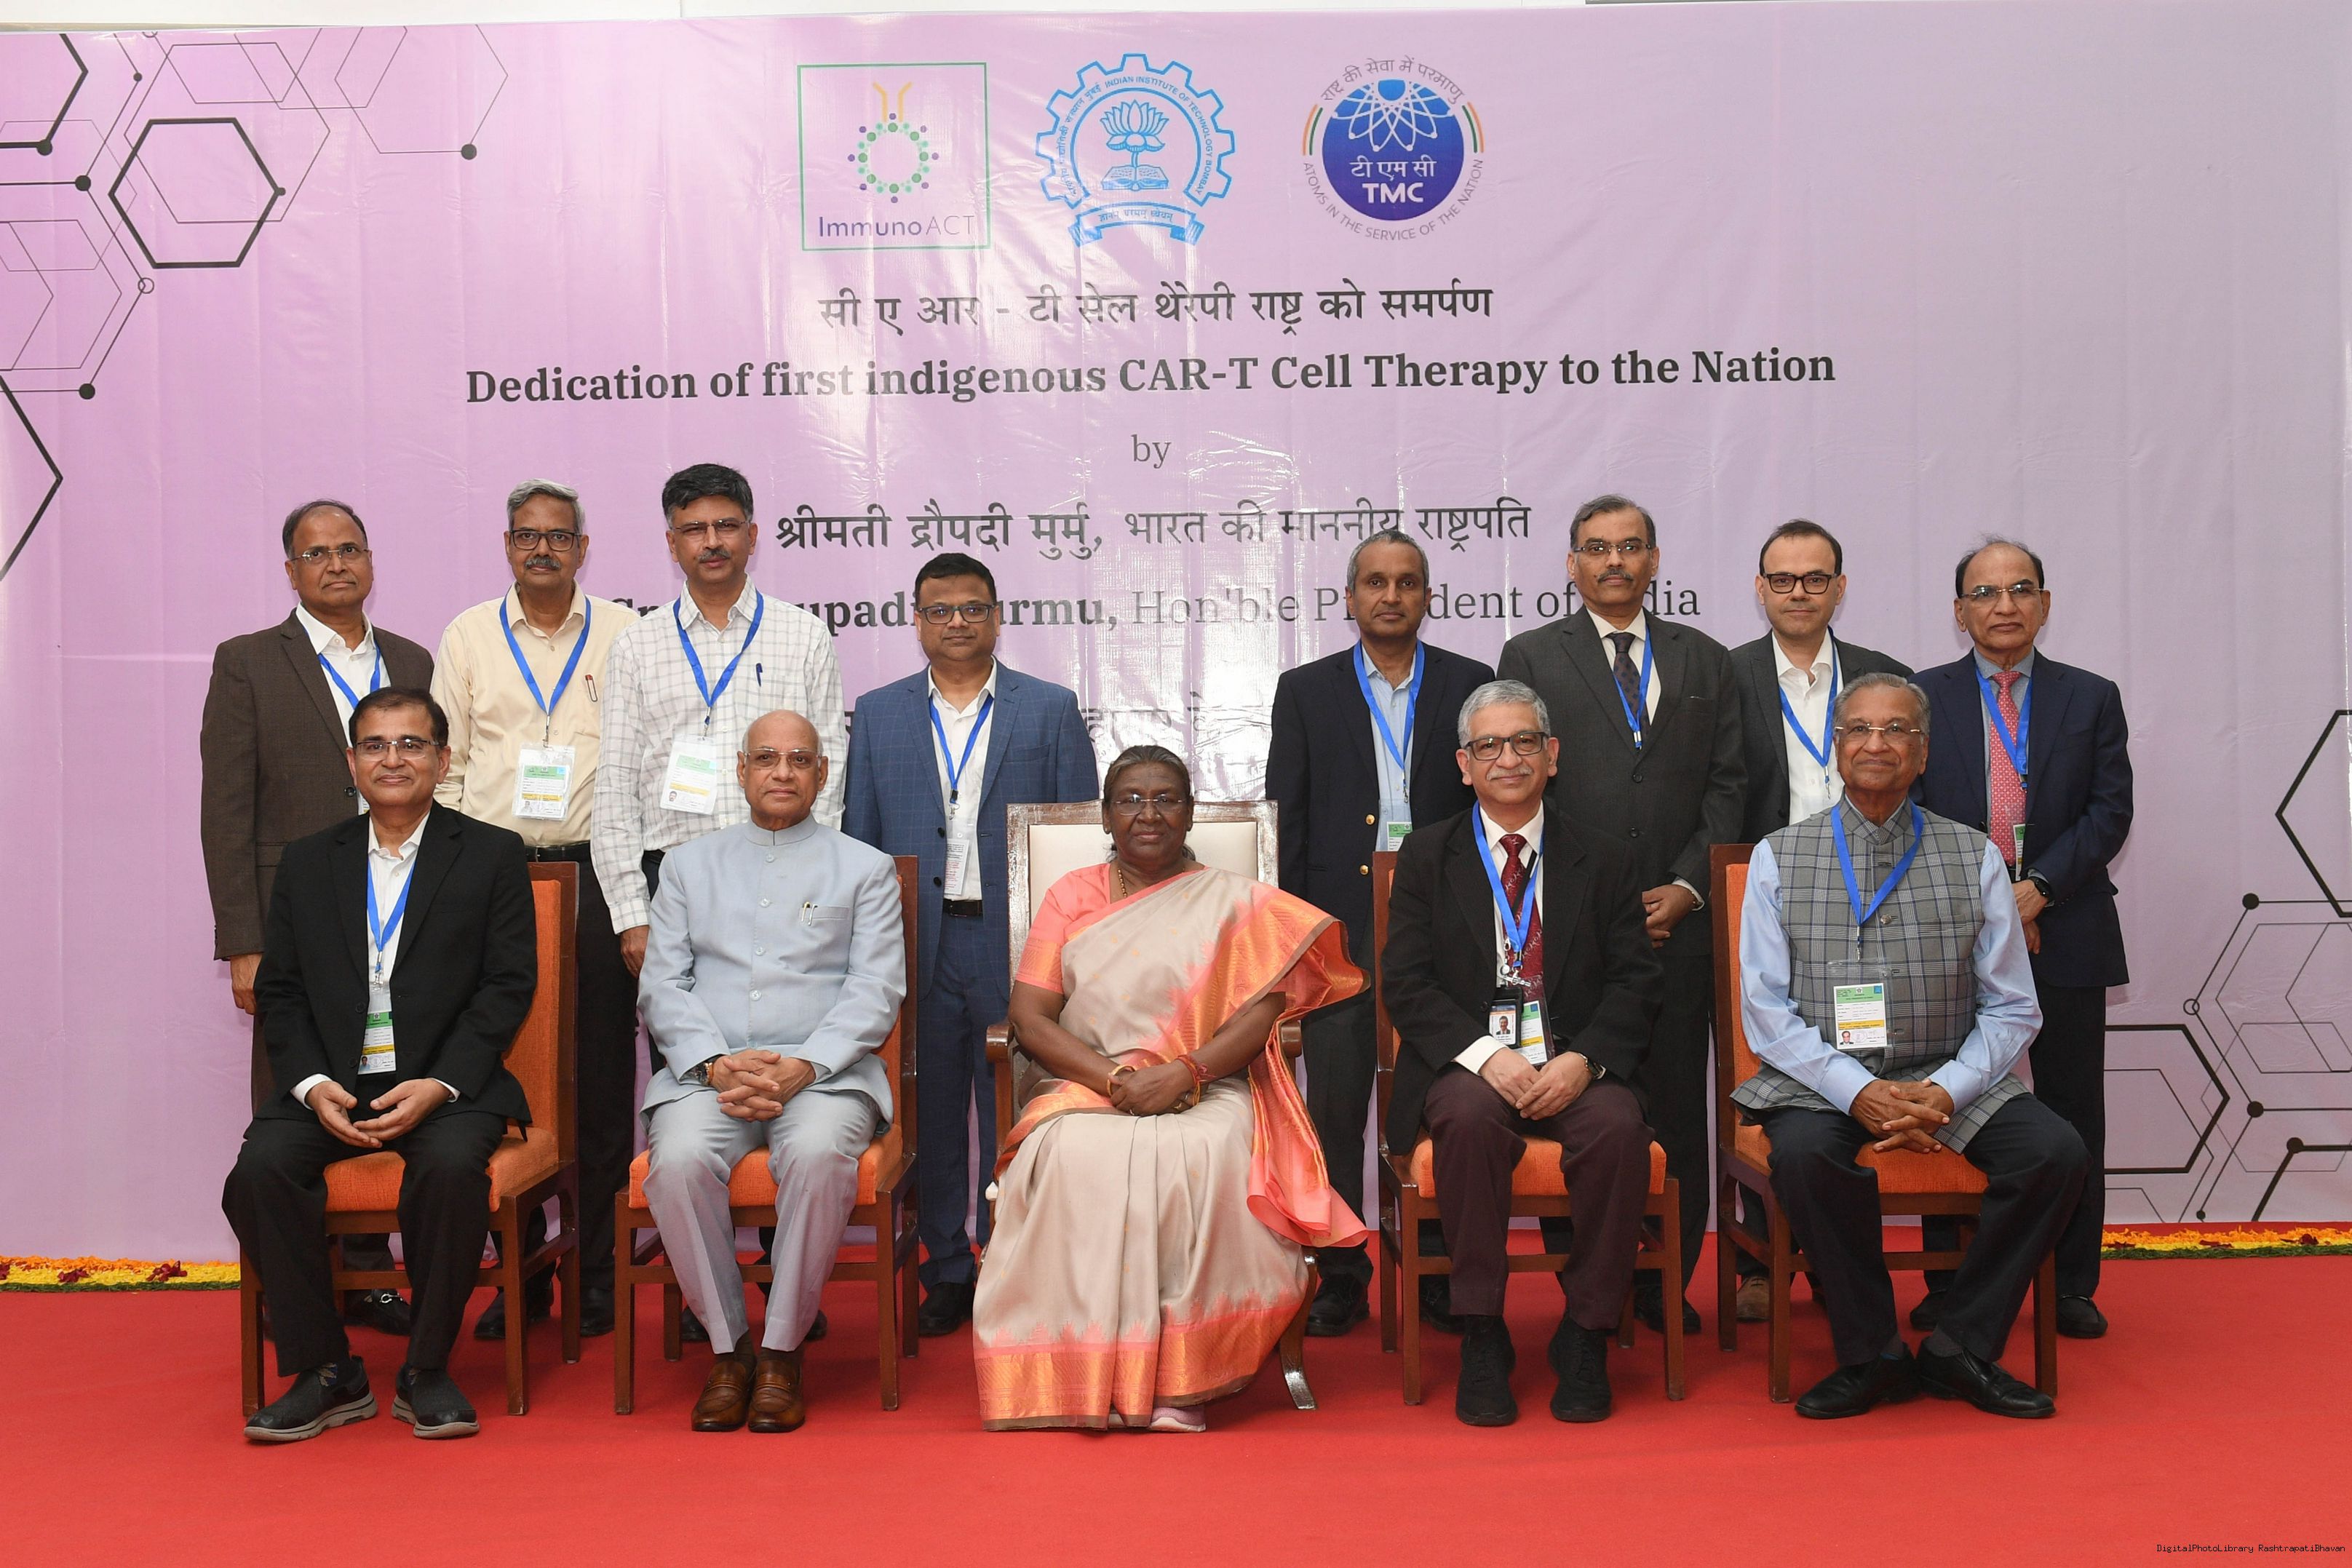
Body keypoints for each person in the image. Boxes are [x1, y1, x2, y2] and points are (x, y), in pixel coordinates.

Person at [974, 747, 1365, 1431]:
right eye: (1130, 799)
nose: (1148, 813)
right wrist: (1116, 1078)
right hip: (1088, 1085)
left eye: (1166, 799)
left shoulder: (1234, 902)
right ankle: (1082, 1368)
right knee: (1065, 1152)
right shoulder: (1071, 895)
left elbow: (1264, 1013)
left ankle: (1183, 1379)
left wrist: (1186, 1072)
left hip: (1204, 1086)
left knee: (1210, 1152)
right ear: (1105, 816)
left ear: (1190, 814)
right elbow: (1030, 1019)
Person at [1733, 672, 2087, 1420]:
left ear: (1923, 753)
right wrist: (1855, 1089)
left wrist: (1947, 1089)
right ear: (1836, 747)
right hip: (1820, 1079)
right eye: (1859, 729)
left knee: (2053, 1152)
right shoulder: (1779, 855)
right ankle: (1872, 1353)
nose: (1876, 743)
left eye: (1896, 729)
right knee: (1805, 1156)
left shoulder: (1973, 854)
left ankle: (1961, 1343)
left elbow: (2012, 1005)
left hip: (1944, 1071)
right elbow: (1764, 1010)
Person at [223, 688, 538, 1441]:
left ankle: (426, 1367)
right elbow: (282, 992)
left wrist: (440, 1084)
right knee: (258, 1173)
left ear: (443, 759)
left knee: (451, 1172)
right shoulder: (308, 861)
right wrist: (311, 1086)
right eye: (375, 745)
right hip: (335, 1082)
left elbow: (507, 985)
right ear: (351, 761)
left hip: (446, 1081)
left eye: (411, 743)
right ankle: (327, 1367)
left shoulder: (492, 853)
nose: (392, 759)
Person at [592, 461, 848, 1342]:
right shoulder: (636, 646)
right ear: (671, 542)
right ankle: (708, 1296)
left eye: (726, 525)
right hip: (675, 887)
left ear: (752, 533)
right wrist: (631, 911)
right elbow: (614, 787)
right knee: (703, 1079)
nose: (712, 542)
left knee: (780, 1062)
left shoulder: (802, 634)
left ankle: (785, 1284)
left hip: (787, 876)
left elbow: (829, 770)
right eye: (694, 529)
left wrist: (820, 898)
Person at [1380, 682, 1664, 1425]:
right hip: (1470, 1065)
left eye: (1523, 741)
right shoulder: (1427, 855)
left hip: (1574, 1058)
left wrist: (1584, 1060)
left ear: (1552, 755)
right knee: (1469, 1120)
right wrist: (1485, 1055)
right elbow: (1405, 983)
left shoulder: (1604, 856)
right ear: (1464, 765)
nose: (1507, 758)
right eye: (1488, 745)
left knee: (1617, 1129)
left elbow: (1637, 980)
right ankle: (1481, 1329)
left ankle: (1587, 1331)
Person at [1496, 494, 1744, 1334]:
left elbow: (1729, 785)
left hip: (1682, 929)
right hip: (1576, 933)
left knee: (1675, 1110)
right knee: (1579, 1108)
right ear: (1572, 564)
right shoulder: (1532, 655)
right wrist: (1598, 903)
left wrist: (1686, 886)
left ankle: (1662, 1286)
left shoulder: (1706, 659)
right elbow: (1524, 784)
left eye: (1630, 546)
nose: (1614, 561)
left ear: (1654, 559)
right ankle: (1587, 1289)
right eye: (1597, 548)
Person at [841, 552, 1097, 1338]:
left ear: (997, 617)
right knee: (933, 1108)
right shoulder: (878, 713)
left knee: (1018, 1104)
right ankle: (947, 1266)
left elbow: (1080, 839)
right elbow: (860, 840)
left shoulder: (1048, 708)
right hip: (918, 937)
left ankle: (1014, 1259)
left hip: (1019, 940)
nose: (957, 622)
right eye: (940, 609)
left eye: (972, 608)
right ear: (916, 621)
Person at [637, 710, 907, 1433]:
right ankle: (730, 1350)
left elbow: (875, 988)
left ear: (822, 773)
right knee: (677, 1162)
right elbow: (663, 985)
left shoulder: (864, 867)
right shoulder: (687, 866)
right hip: (708, 1074)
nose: (782, 772)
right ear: (741, 769)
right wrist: (716, 1063)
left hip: (826, 1076)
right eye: (766, 758)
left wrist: (804, 1064)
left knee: (818, 1155)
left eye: (799, 759)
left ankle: (783, 1351)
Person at [202, 498, 432, 1340]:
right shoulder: (248, 662)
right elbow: (226, 809)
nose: (336, 564)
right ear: (291, 571)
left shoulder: (411, 658)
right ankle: (292, 1287)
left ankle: (367, 1276)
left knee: (382, 1081)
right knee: (294, 1097)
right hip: (292, 922)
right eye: (316, 553)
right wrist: (244, 941)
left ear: (370, 560)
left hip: (397, 903)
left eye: (349, 549)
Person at [1266, 528, 1493, 1337]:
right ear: (1351, 597)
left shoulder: (1470, 683)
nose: (1390, 595)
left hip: (1448, 925)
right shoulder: (1306, 689)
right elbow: (1288, 819)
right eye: (1375, 582)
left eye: (1406, 582)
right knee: (1334, 1107)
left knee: (1441, 1099)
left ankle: (1435, 1266)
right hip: (1338, 933)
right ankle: (1341, 1271)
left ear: (1428, 595)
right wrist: (1297, 939)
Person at [1912, 539, 2132, 1341]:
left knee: (2072, 1109)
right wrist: (1989, 902)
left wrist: (2036, 890)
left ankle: (2070, 1282)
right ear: (1959, 610)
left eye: (2019, 589)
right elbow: (1909, 811)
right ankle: (1950, 1280)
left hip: (2065, 926)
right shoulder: (1921, 696)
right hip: (1953, 932)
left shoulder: (2091, 696)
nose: (2003, 605)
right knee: (1948, 1100)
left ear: (2044, 602)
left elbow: (2109, 812)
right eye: (1984, 592)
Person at [430, 479, 630, 1341]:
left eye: (557, 535)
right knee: (496, 1076)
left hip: (595, 875)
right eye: (525, 535)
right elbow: (445, 762)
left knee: (598, 1080)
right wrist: (449, 878)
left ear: (583, 547)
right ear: (507, 545)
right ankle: (522, 1270)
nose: (541, 549)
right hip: (492, 876)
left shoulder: (624, 634)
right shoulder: (468, 635)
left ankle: (598, 1273)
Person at [1725, 519, 1911, 1321]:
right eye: (1782, 578)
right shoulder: (1725, 675)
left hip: (1876, 889)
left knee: (1875, 1054)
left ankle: (1845, 1262)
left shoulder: (1885, 676)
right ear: (1760, 588)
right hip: (1765, 891)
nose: (1797, 592)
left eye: (1813, 578)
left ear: (1839, 587)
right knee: (1761, 1074)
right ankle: (1759, 1263)